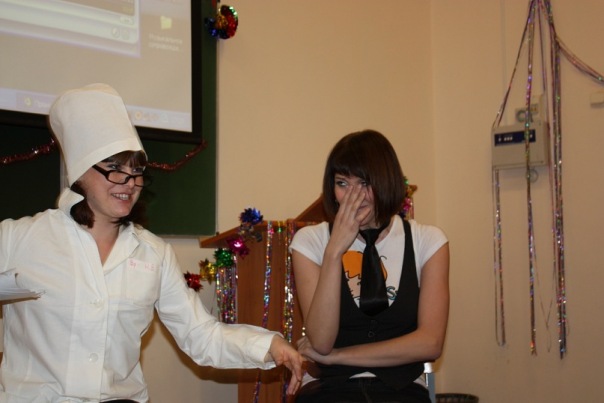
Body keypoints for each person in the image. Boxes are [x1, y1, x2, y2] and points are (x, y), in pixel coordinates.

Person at [0, 83, 303, 402]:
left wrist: (268, 344)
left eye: (136, 171)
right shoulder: (18, 239)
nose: (129, 183)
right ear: (80, 173)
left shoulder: (153, 254)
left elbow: (200, 334)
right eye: (114, 168)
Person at [290, 130, 449, 403]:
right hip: (327, 389)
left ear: (386, 182)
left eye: (364, 183)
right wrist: (334, 251)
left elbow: (430, 343)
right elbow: (322, 342)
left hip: (403, 390)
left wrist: (339, 356)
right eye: (342, 183)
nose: (354, 196)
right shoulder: (311, 241)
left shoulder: (427, 240)